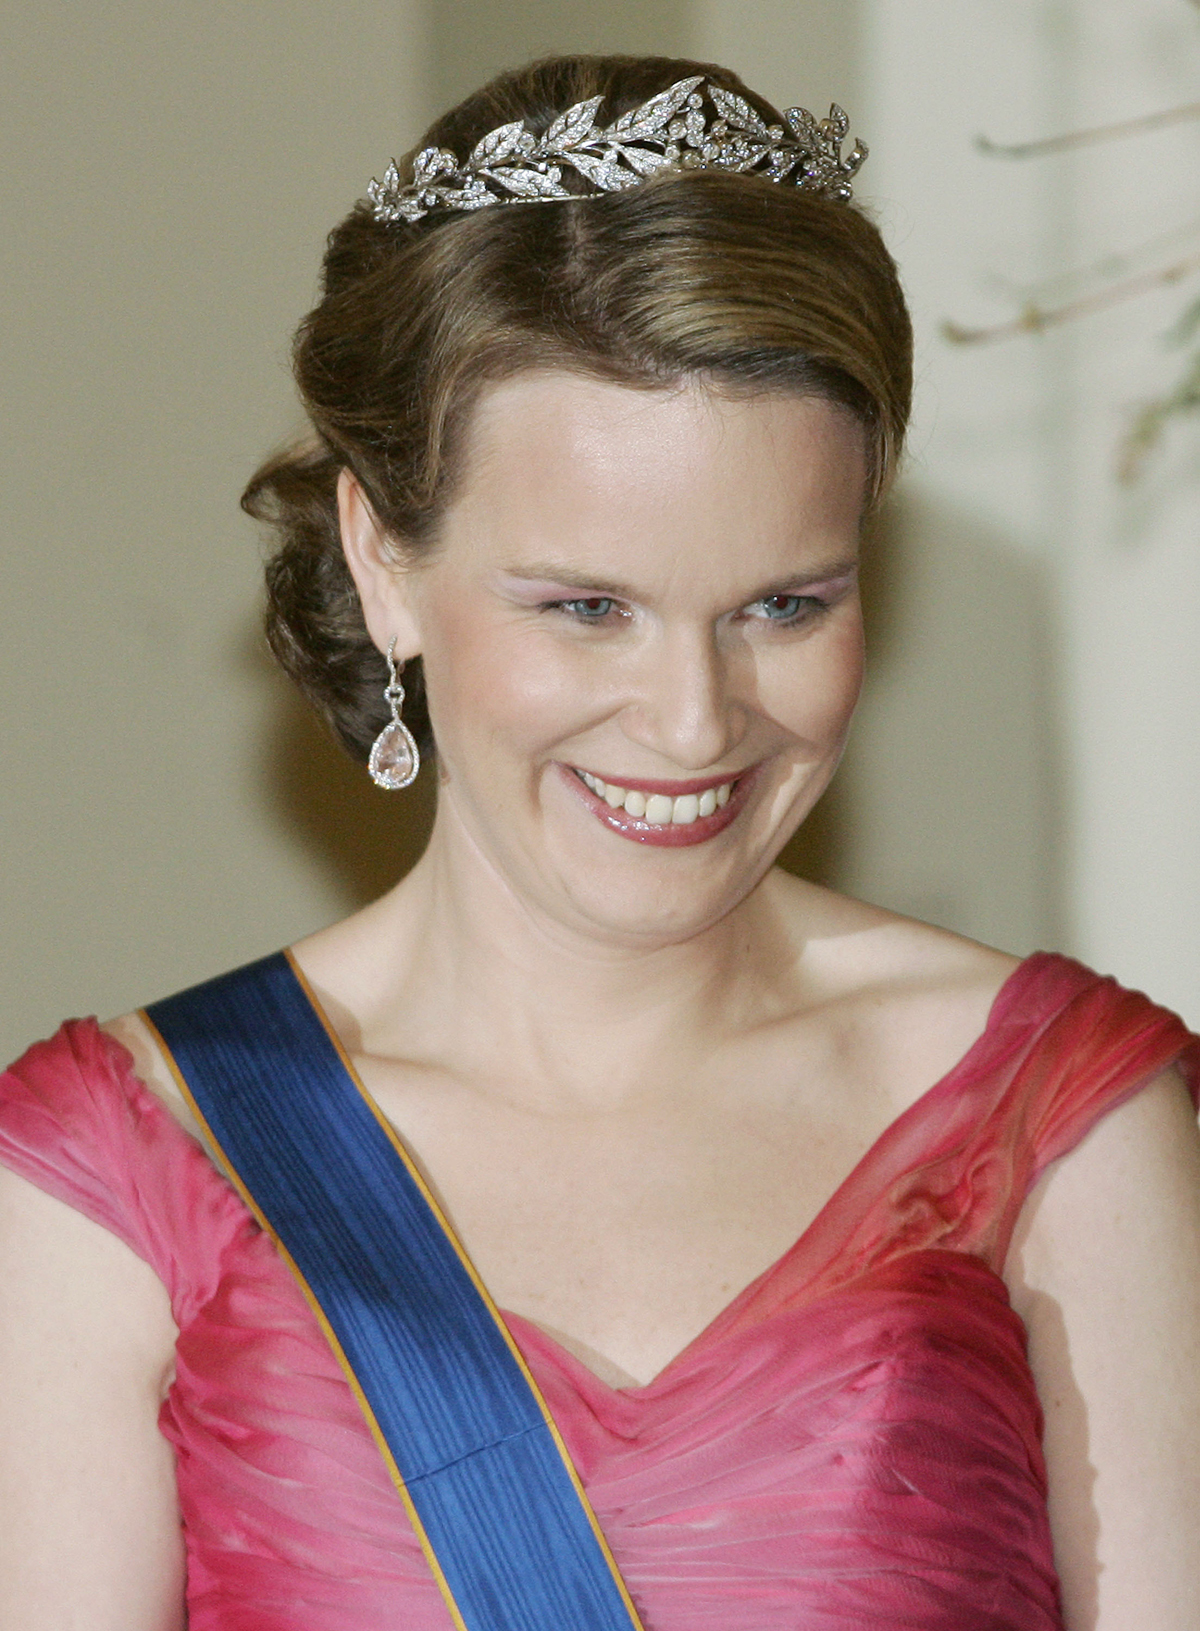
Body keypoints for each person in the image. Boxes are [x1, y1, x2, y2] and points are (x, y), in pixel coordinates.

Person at [1, 51, 1198, 1631]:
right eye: (586, 608)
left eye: (785, 605)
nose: (695, 723)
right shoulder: (117, 1170)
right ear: (384, 561)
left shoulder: (1065, 1116)